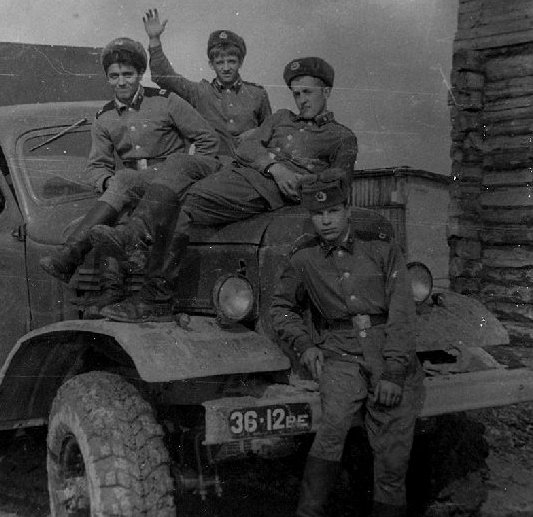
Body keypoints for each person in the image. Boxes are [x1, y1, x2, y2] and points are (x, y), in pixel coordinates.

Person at [92, 56, 357, 323]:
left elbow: (338, 182)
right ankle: (134, 236)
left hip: (260, 187)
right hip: (236, 171)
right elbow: (246, 147)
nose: (301, 101)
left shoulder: (341, 137)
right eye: (297, 94)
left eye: (307, 93)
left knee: (181, 207)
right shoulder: (281, 118)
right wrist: (275, 167)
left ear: (326, 92)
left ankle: (154, 296)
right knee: (179, 162)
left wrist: (301, 179)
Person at [270, 170, 424, 517]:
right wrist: (304, 344)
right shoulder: (304, 260)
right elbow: (281, 308)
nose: (326, 221)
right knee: (333, 426)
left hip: (388, 353)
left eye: (333, 211)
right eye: (318, 214)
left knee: (391, 460)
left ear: (347, 210)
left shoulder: (383, 251)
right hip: (339, 356)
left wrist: (394, 371)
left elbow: (402, 314)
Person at [38, 36, 219, 311]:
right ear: (107, 78)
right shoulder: (104, 118)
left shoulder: (166, 102)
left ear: (140, 74)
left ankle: (70, 256)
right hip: (131, 187)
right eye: (114, 76)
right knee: (116, 204)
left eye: (128, 74)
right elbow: (97, 166)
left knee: (123, 182)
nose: (121, 82)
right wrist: (106, 181)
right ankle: (112, 290)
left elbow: (208, 139)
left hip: (168, 184)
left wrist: (189, 172)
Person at [142, 8, 271, 159]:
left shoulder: (257, 94)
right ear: (211, 64)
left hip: (251, 165)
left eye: (231, 61)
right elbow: (164, 77)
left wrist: (257, 132)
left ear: (240, 62)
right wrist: (154, 40)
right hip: (212, 166)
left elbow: (271, 132)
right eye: (219, 62)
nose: (226, 68)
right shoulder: (199, 92)